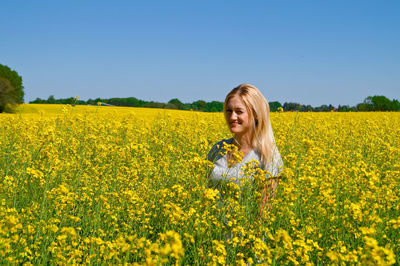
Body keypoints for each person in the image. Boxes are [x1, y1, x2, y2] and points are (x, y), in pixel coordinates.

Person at [207, 83, 284, 213]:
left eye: (239, 112)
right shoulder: (218, 149)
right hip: (211, 230)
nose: (232, 117)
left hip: (247, 232)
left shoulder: (267, 156)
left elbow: (263, 214)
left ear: (256, 115)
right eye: (229, 111)